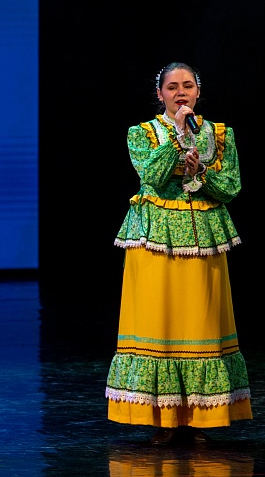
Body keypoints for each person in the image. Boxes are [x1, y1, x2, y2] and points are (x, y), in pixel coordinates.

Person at [105, 62, 252, 445]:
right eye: (172, 87)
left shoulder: (220, 134)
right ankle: (163, 419)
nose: (180, 92)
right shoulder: (141, 133)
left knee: (200, 325)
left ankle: (199, 417)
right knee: (161, 325)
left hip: (204, 238)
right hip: (155, 239)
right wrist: (178, 137)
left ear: (198, 92)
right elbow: (152, 176)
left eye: (187, 85)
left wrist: (201, 172)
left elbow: (231, 187)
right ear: (160, 94)